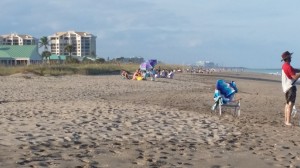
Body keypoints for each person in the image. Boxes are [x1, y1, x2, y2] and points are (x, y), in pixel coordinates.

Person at [281, 51, 300, 126]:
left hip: (286, 87)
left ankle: (286, 120)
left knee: (287, 104)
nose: (291, 57)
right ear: (288, 58)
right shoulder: (288, 66)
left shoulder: (285, 65)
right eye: (290, 56)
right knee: (290, 104)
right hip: (290, 87)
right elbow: (294, 77)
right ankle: (288, 121)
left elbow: (293, 70)